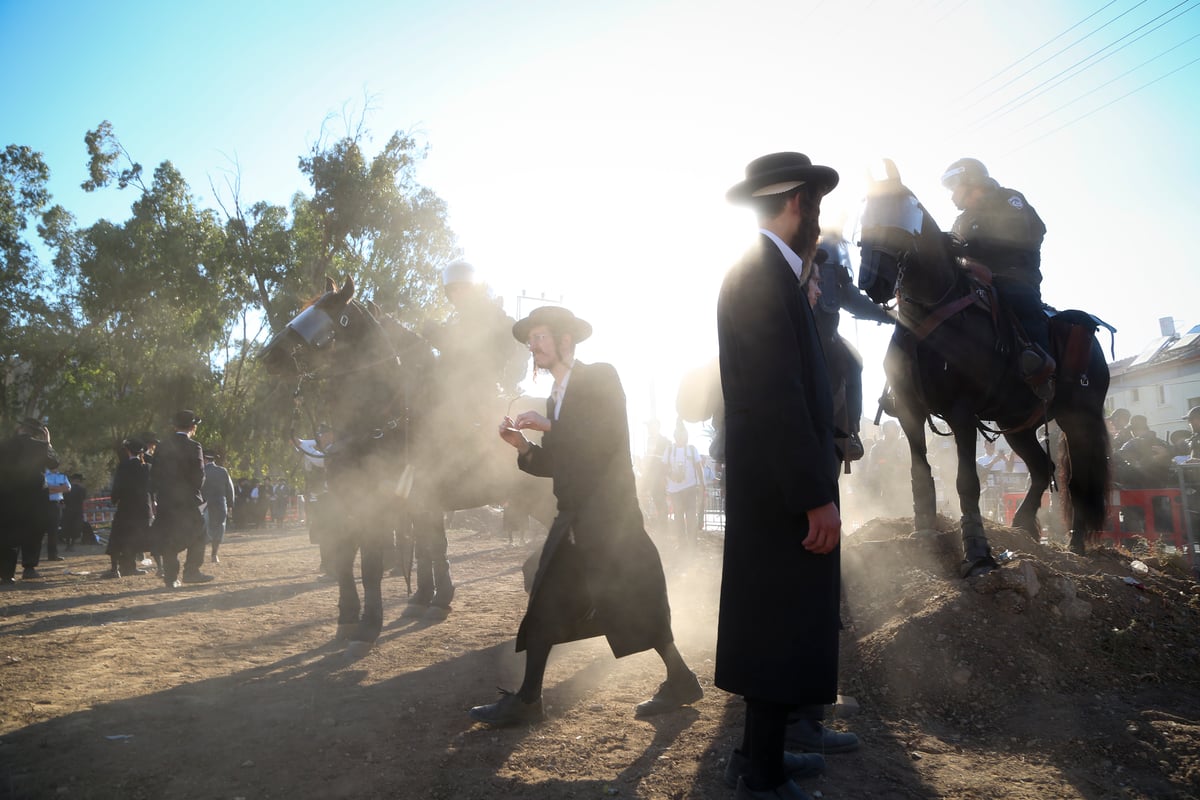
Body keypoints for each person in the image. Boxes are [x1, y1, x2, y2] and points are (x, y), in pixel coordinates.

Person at [469, 305, 702, 727]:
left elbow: (603, 436)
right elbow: (560, 461)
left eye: (539, 336)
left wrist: (550, 424)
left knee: (638, 603)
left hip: (611, 519)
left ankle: (680, 678)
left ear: (565, 341)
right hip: (575, 518)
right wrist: (521, 446)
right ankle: (529, 698)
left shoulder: (601, 377)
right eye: (529, 340)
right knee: (544, 596)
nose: (531, 345)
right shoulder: (556, 400)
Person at [717, 152, 849, 800]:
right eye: (816, 207)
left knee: (779, 625)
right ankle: (761, 776)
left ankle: (757, 756)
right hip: (780, 494)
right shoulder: (763, 275)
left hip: (776, 487)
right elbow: (777, 394)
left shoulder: (767, 272)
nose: (818, 223)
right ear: (798, 203)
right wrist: (812, 496)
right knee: (775, 628)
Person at [941, 158, 1051, 401]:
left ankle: (1042, 370)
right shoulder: (962, 220)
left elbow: (1026, 232)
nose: (952, 195)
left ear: (969, 181)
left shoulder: (1009, 199)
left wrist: (975, 246)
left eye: (954, 187)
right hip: (976, 281)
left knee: (1019, 301)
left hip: (1013, 275)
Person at [812, 229, 896, 456]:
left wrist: (886, 316)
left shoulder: (824, 251)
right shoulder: (820, 249)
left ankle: (850, 430)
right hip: (810, 334)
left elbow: (849, 296)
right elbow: (849, 298)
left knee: (853, 362)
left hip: (824, 335)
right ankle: (850, 432)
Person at [151, 410, 213, 588]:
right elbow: (199, 476)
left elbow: (154, 473)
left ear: (174, 425)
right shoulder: (194, 446)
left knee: (168, 538)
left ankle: (170, 578)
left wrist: (159, 494)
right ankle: (192, 571)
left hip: (165, 500)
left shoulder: (162, 446)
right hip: (186, 501)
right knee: (199, 533)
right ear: (193, 427)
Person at [0, 420, 58, 586]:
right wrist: (48, 443)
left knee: (7, 533)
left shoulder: (3, 446)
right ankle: (29, 568)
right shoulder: (40, 446)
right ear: (37, 433)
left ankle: (6, 574)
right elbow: (54, 463)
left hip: (7, 496)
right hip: (34, 496)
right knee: (33, 533)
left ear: (19, 428)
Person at [105, 438, 153, 578]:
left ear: (127, 451)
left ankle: (115, 568)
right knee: (134, 537)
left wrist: (114, 499)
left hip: (126, 507)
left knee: (118, 536)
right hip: (142, 508)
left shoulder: (123, 466)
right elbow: (152, 488)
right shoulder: (147, 468)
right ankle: (130, 567)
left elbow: (117, 486)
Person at [662, 419, 705, 548]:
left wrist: (702, 484)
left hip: (690, 488)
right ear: (675, 436)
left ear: (686, 436)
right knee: (678, 517)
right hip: (675, 490)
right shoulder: (669, 450)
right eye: (679, 434)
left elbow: (699, 467)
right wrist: (671, 475)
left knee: (691, 516)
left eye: (683, 435)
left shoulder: (692, 449)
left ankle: (692, 544)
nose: (681, 437)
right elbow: (663, 469)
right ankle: (682, 544)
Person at [202, 452, 236, 563]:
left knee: (204, 529)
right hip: (221, 503)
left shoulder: (201, 471)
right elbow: (230, 488)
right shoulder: (223, 471)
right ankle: (214, 555)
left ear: (205, 459)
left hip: (205, 503)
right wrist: (230, 504)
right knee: (219, 528)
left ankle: (200, 555)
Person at [41, 465, 71, 562]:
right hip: (43, 504)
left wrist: (51, 489)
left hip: (56, 505)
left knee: (53, 531)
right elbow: (44, 490)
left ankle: (52, 555)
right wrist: (59, 488)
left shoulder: (62, 476)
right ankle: (35, 555)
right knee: (39, 530)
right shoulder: (43, 475)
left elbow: (67, 488)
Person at [60, 473, 88, 550]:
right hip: (77, 511)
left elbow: (62, 499)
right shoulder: (82, 489)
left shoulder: (66, 488)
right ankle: (72, 544)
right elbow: (83, 498)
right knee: (75, 528)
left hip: (67, 510)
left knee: (67, 527)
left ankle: (68, 544)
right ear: (79, 480)